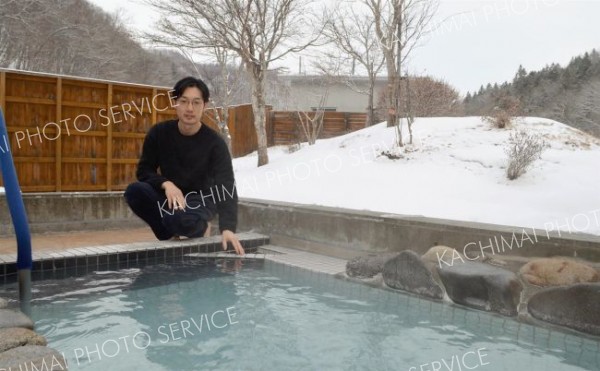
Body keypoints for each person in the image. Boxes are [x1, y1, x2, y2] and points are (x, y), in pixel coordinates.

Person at [124, 76, 244, 255]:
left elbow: (226, 186)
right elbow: (144, 170)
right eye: (184, 101)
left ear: (205, 105)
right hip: (171, 198)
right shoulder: (159, 133)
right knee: (134, 192)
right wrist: (167, 184)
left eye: (196, 102)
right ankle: (169, 231)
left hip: (201, 199)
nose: (190, 108)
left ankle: (199, 227)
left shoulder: (215, 143)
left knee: (179, 219)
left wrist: (228, 228)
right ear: (175, 103)